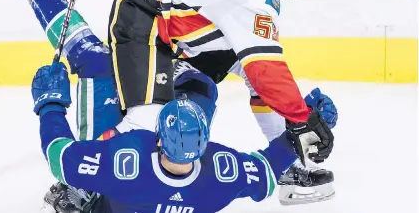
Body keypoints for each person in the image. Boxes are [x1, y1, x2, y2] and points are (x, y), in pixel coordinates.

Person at [3, 0, 337, 211]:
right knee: (142, 117)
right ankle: (82, 182)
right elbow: (267, 68)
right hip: (146, 16)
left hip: (183, 23)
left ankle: (289, 168)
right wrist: (301, 118)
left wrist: (294, 133)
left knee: (206, 87)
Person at [30, 59, 334, 213]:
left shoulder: (126, 159)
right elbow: (268, 168)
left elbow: (58, 155)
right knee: (203, 88)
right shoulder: (221, 171)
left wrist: (50, 103)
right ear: (203, 143)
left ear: (158, 138)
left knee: (105, 87)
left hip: (113, 200)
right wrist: (311, 125)